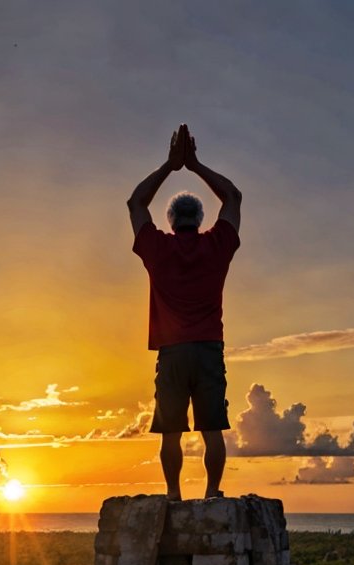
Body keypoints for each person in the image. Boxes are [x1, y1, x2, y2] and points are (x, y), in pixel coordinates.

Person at [128, 124, 242, 502]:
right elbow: (233, 197)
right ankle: (212, 493)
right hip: (209, 349)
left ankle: (174, 495)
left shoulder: (158, 249)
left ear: (172, 220)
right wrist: (195, 166)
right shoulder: (217, 245)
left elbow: (136, 203)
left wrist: (169, 165)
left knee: (171, 432)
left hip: (173, 353)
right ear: (200, 218)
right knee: (213, 430)